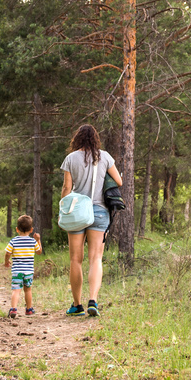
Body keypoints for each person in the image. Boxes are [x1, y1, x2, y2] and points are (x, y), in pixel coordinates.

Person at [60, 123, 123, 317]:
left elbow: (66, 188)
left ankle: (77, 306)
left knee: (75, 260)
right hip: (99, 211)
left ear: (77, 139)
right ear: (95, 138)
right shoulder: (104, 156)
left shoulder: (71, 159)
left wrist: (63, 207)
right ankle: (93, 300)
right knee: (95, 258)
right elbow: (119, 181)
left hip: (78, 211)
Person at [3, 214, 42, 318]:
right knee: (28, 289)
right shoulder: (33, 241)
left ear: (17, 229)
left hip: (17, 271)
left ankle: (13, 309)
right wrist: (38, 240)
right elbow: (39, 252)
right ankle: (29, 309)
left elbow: (7, 253)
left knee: (16, 290)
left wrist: (6, 261)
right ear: (31, 230)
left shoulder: (14, 241)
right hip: (28, 271)